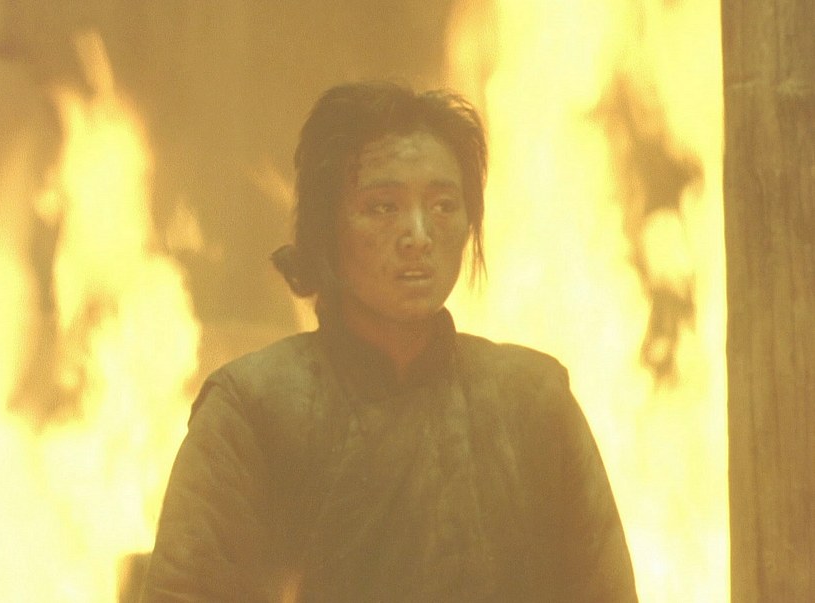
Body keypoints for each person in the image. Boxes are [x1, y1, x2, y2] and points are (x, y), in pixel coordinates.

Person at [141, 81, 637, 602]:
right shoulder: (252, 409)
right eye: (383, 207)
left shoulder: (533, 401)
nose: (418, 235)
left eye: (444, 205)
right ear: (327, 226)